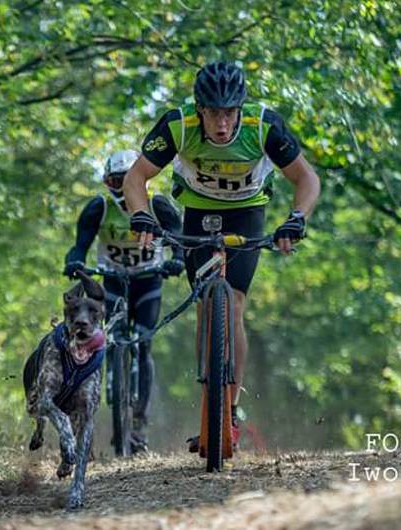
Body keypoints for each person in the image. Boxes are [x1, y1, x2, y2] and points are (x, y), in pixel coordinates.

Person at [122, 62, 321, 450]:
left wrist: (297, 219)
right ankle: (209, 402)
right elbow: (136, 178)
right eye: (213, 112)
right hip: (197, 213)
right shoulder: (178, 125)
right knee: (206, 306)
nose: (222, 122)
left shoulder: (263, 125)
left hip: (247, 212)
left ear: (240, 109)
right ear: (200, 109)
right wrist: (142, 216)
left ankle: (228, 411)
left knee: (234, 304)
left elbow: (306, 178)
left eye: (230, 112)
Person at [64, 149, 185, 453]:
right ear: (106, 182)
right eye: (115, 181)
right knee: (109, 340)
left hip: (149, 279)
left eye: (127, 180)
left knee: (143, 345)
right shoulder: (99, 207)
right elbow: (79, 245)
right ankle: (101, 397)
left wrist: (177, 260)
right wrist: (74, 262)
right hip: (113, 280)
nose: (121, 187)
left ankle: (139, 427)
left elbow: (179, 240)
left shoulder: (157, 205)